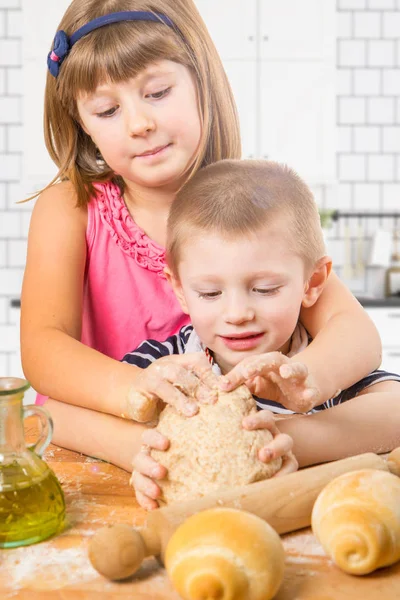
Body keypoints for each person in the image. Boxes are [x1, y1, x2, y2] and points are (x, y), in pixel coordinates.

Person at [21, 0, 383, 477]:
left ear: (201, 83)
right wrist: (137, 389)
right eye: (108, 109)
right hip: (118, 426)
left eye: (158, 92)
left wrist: (308, 380)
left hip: (256, 426)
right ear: (81, 123)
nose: (138, 123)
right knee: (48, 413)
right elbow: (43, 349)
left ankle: (280, 442)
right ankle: (156, 452)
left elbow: (354, 332)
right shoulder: (69, 208)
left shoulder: (252, 205)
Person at [123, 159, 400, 509]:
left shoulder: (320, 365)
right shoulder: (163, 365)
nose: (238, 314)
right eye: (210, 293)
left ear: (312, 283)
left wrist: (280, 440)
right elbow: (65, 414)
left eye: (266, 289)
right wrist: (145, 454)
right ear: (179, 289)